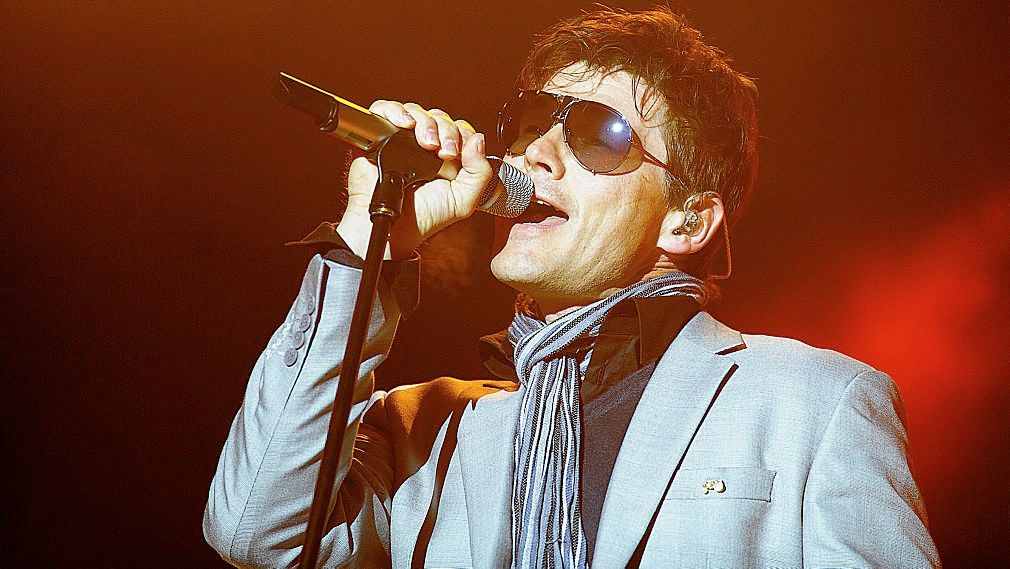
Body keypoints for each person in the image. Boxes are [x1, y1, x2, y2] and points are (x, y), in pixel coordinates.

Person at [204, 7, 939, 568]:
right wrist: (371, 242)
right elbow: (254, 532)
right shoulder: (425, 429)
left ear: (687, 220)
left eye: (599, 135)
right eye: (531, 122)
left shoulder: (814, 402)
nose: (535, 153)